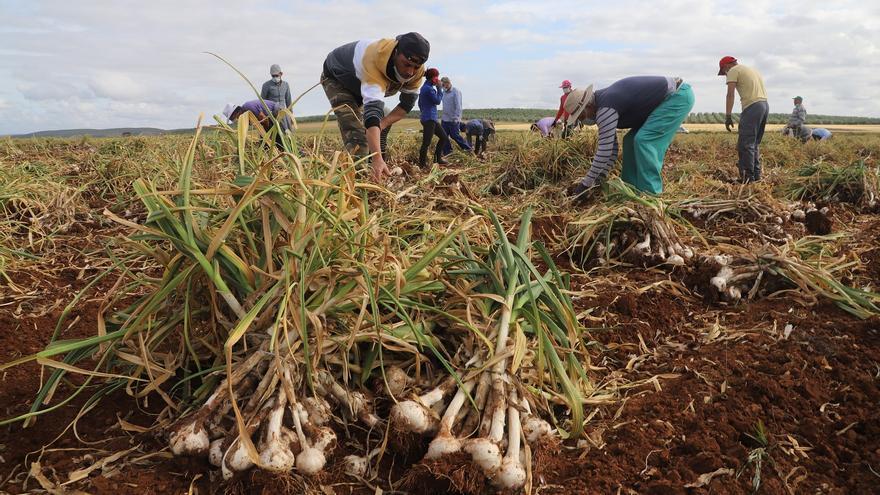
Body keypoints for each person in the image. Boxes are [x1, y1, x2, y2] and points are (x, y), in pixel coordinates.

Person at [321, 32, 430, 181]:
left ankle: (354, 167)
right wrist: (377, 159)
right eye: (406, 64)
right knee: (357, 134)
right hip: (338, 78)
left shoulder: (417, 72)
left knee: (374, 125)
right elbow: (372, 113)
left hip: (359, 84)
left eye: (415, 67)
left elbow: (406, 104)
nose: (410, 72)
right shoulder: (374, 60)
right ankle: (358, 184)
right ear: (396, 53)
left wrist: (382, 123)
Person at [565, 76, 695, 200]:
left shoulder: (605, 108)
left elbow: (604, 151)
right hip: (667, 100)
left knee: (644, 141)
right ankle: (630, 192)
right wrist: (599, 178)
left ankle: (651, 198)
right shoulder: (602, 104)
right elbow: (612, 150)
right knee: (629, 141)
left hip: (677, 96)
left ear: (587, 106)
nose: (583, 121)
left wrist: (585, 184)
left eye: (581, 116)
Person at [718, 56, 768, 183]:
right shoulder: (751, 70)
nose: (725, 75)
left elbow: (730, 94)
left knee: (745, 144)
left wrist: (728, 116)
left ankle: (747, 179)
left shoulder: (733, 70)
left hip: (752, 106)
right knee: (753, 143)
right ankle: (755, 176)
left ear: (726, 66)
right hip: (764, 105)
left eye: (724, 72)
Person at [417, 68, 450, 169]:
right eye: (437, 77)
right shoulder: (429, 89)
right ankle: (422, 164)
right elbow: (437, 101)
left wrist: (424, 112)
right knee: (426, 142)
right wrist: (439, 89)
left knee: (444, 137)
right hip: (429, 119)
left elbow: (419, 103)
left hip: (431, 118)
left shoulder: (424, 88)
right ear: (433, 78)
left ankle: (437, 159)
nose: (438, 80)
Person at [222, 99, 288, 149]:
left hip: (276, 110)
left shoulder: (248, 107)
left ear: (235, 114)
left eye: (233, 118)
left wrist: (265, 137)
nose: (236, 120)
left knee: (276, 134)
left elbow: (265, 120)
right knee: (266, 137)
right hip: (269, 116)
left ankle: (283, 150)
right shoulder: (245, 115)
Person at [440, 77, 472, 154]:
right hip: (445, 119)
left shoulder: (456, 91)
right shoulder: (443, 92)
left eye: (444, 85)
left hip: (453, 119)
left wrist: (457, 118)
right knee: (443, 136)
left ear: (448, 83)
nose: (444, 87)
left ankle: (468, 149)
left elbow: (458, 106)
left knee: (455, 136)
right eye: (442, 85)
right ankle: (448, 152)